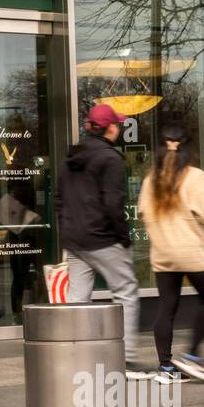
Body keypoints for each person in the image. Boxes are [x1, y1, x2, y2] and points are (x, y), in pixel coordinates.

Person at [56, 104, 150, 377]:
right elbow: (113, 204)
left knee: (77, 298)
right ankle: (127, 360)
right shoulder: (110, 159)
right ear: (109, 128)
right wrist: (123, 237)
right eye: (117, 125)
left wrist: (67, 228)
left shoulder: (69, 158)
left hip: (74, 239)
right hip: (102, 238)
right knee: (126, 291)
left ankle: (69, 356)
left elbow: (59, 200)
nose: (118, 128)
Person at [138, 121, 204, 384]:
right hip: (191, 251)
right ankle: (194, 356)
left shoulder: (151, 178)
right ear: (188, 147)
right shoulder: (195, 176)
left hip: (162, 253)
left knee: (167, 306)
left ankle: (165, 367)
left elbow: (142, 212)